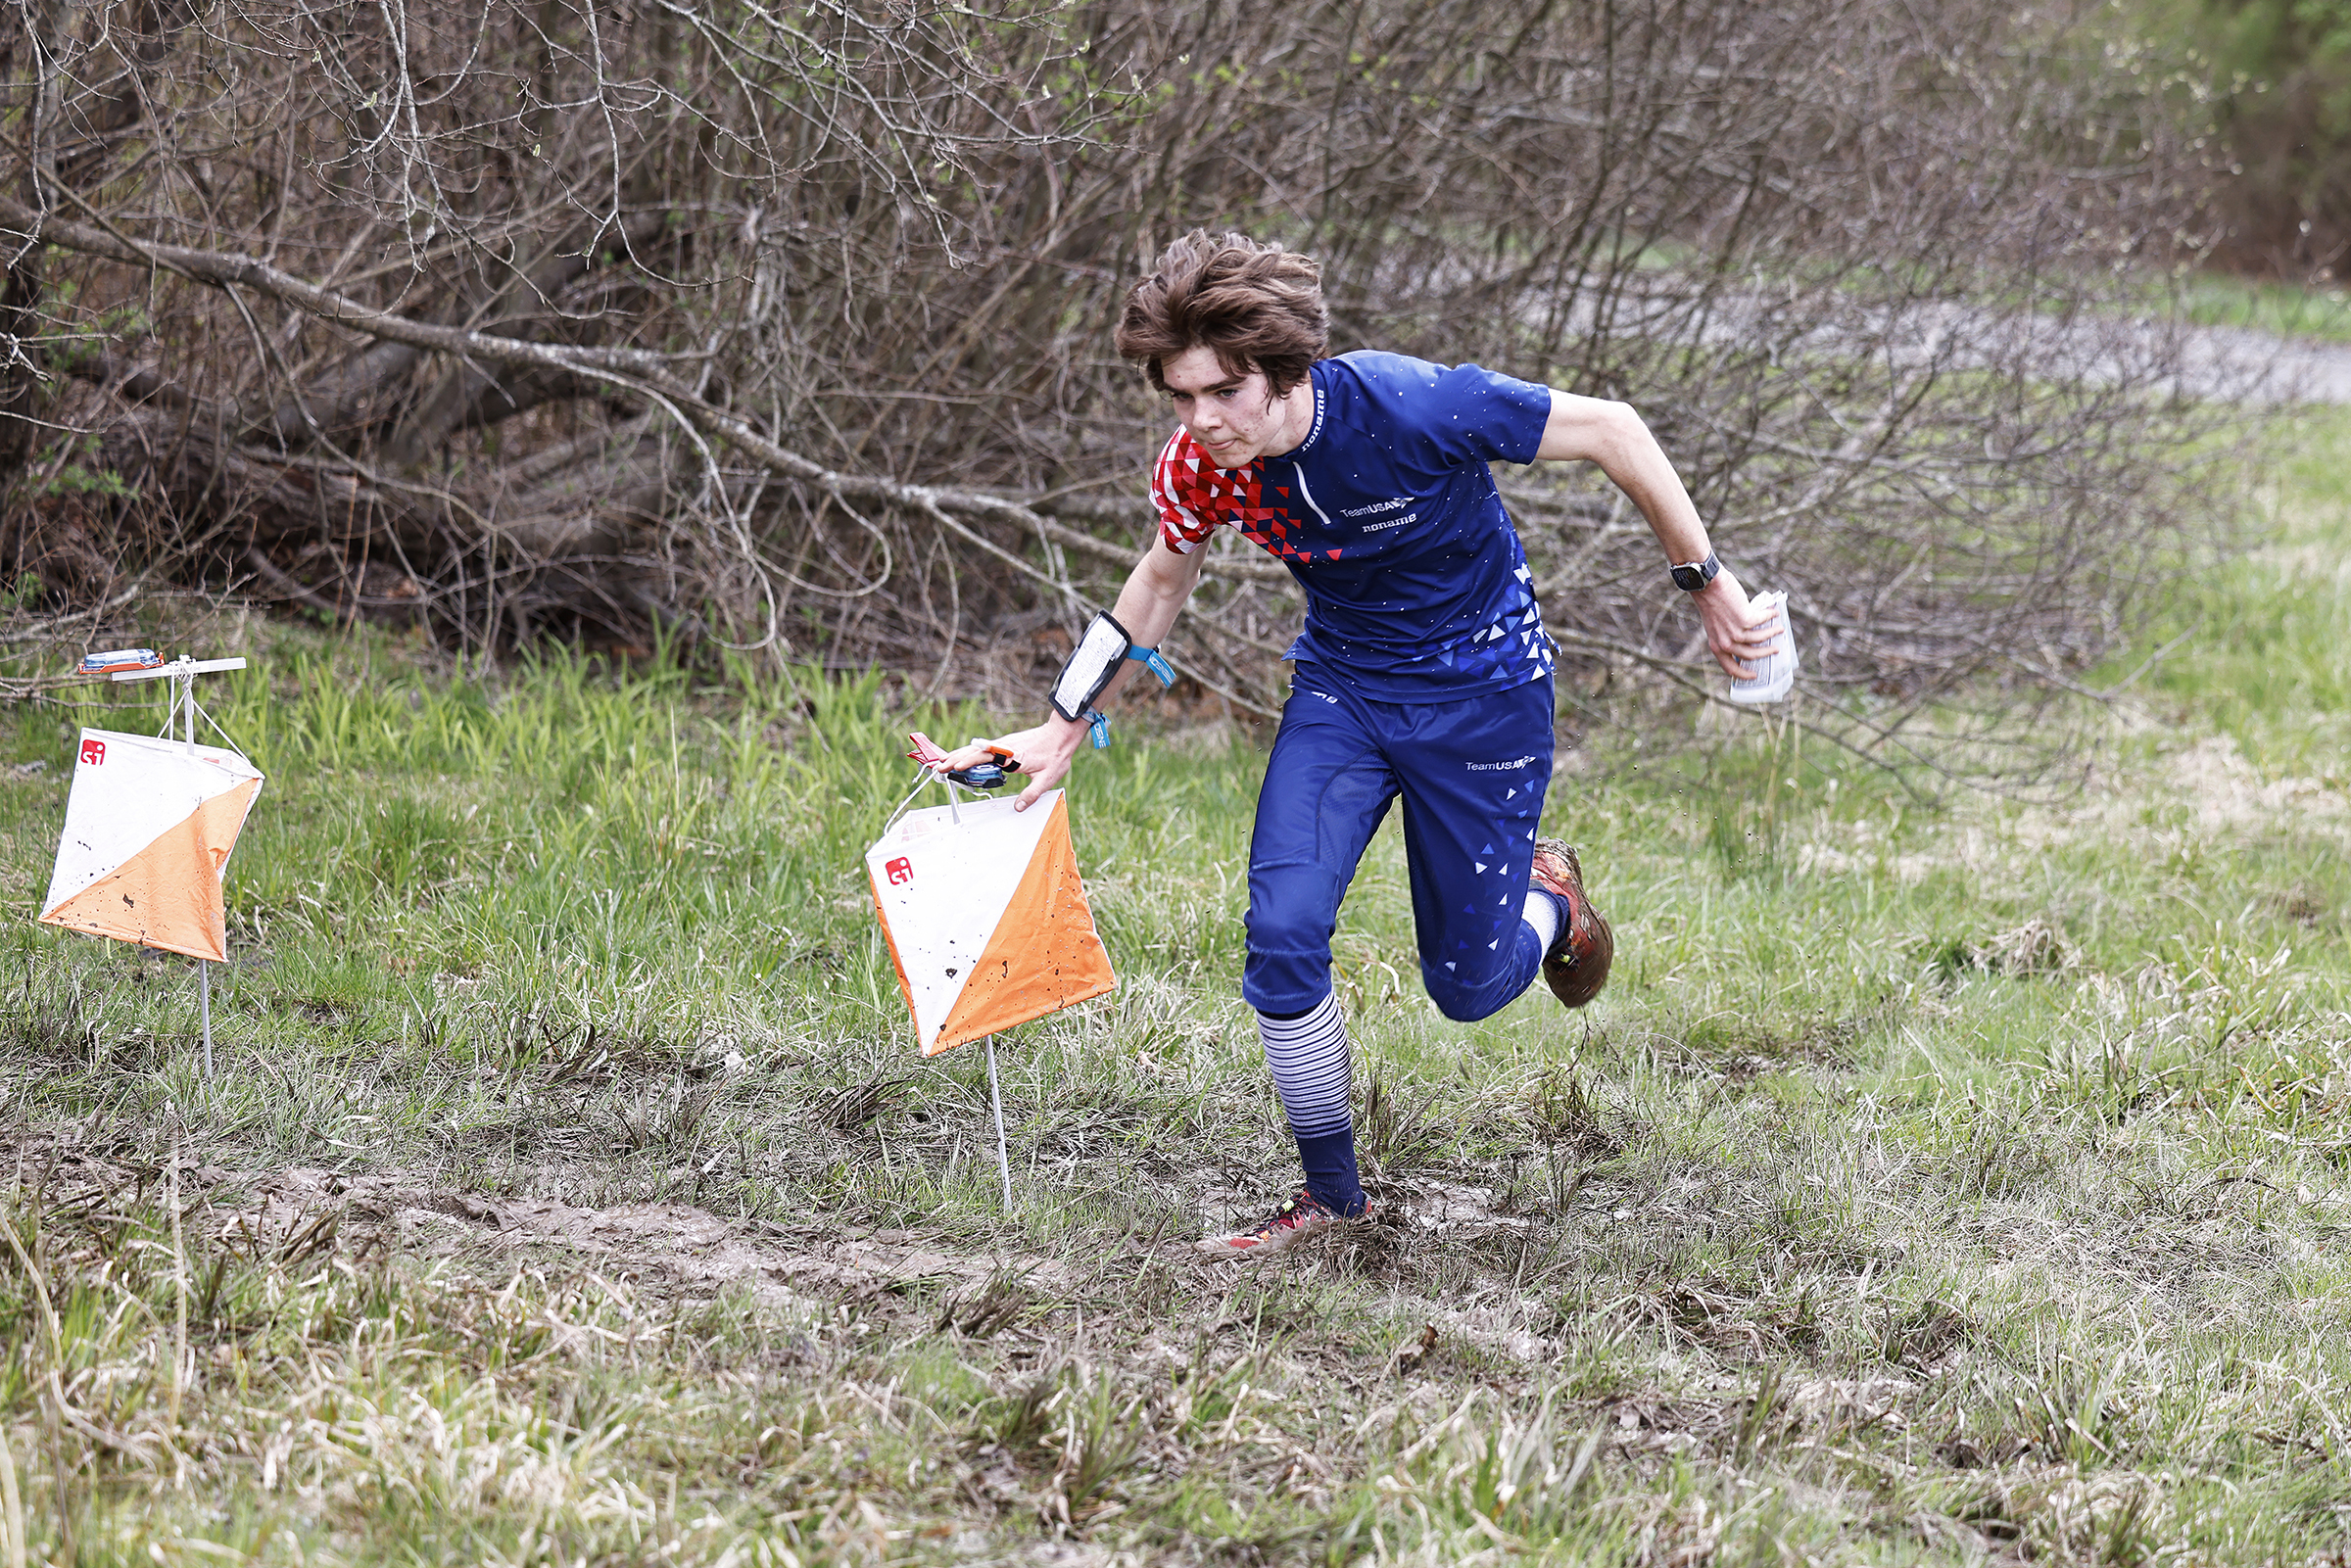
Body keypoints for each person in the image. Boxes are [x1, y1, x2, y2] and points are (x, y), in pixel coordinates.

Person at [939, 231, 1779, 1256]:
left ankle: (1551, 896)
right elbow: (1159, 581)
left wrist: (1708, 585)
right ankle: (1334, 1200)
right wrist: (1063, 722)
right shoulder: (1207, 468)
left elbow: (1617, 429)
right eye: (1179, 396)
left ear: (1283, 369)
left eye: (1224, 391)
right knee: (1282, 936)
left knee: (1467, 989)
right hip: (1343, 692)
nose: (1202, 420)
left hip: (1485, 696)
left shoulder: (1408, 404)